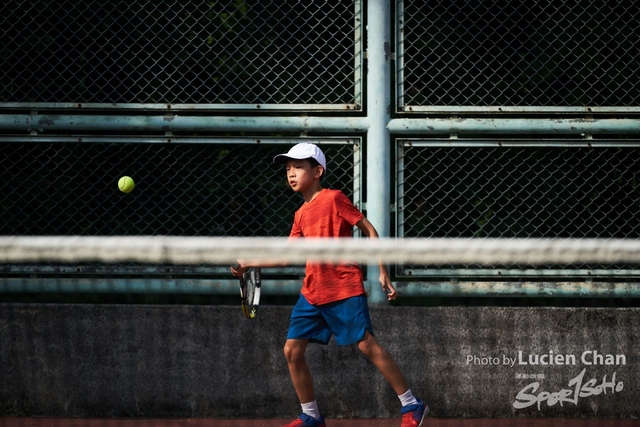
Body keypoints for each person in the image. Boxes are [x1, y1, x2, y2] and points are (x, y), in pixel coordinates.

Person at [231, 143, 428, 427]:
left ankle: (412, 404)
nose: (291, 173)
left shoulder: (334, 198)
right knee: (291, 350)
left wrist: (382, 271)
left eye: (298, 167)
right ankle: (311, 415)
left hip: (343, 287)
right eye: (288, 168)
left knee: (366, 346)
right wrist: (250, 262)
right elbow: (288, 258)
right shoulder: (299, 215)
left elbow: (370, 231)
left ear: (318, 171)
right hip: (312, 293)